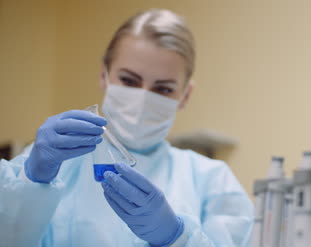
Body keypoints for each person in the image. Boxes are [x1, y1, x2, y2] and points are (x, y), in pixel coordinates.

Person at [0, 9, 253, 247]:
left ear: (185, 95)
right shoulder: (56, 163)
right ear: (104, 75)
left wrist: (176, 237)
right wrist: (32, 181)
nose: (142, 99)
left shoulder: (214, 181)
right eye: (129, 80)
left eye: (163, 89)